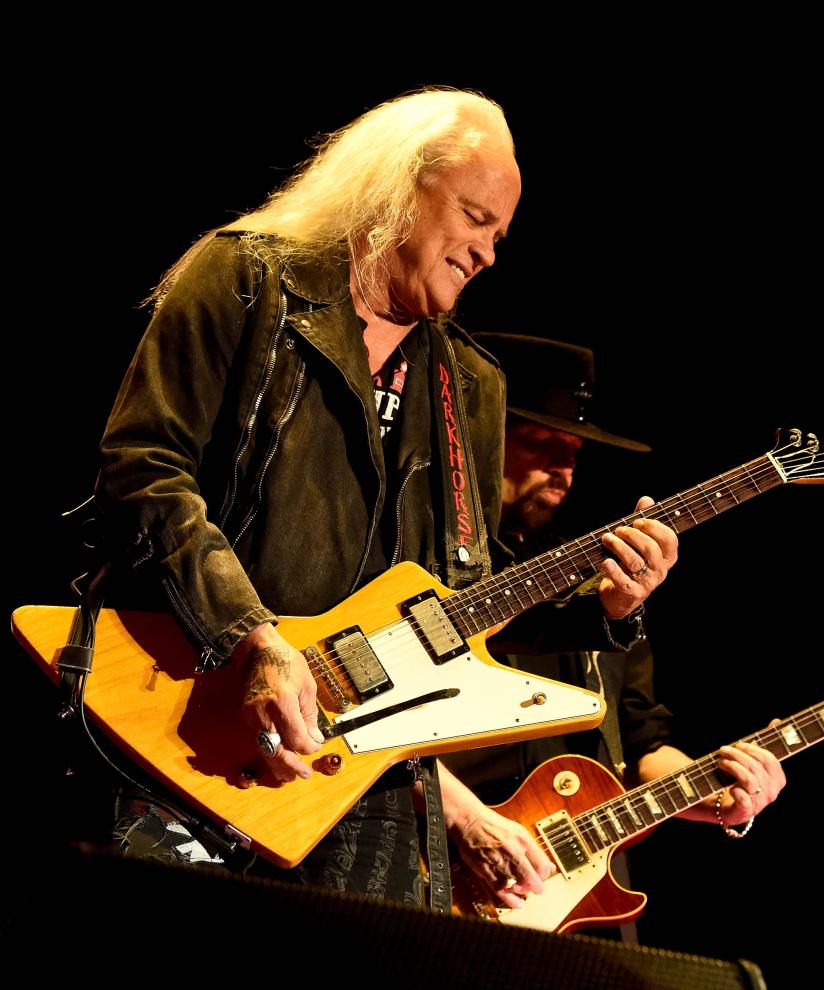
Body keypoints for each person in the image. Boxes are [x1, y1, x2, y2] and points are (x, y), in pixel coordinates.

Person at [93, 89, 678, 907]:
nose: (488, 254)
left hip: (371, 778)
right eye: (476, 218)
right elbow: (145, 467)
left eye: (500, 236)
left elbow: (464, 596)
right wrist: (252, 638)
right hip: (189, 718)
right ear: (399, 186)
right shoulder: (246, 277)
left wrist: (607, 604)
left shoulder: (469, 384)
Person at [437, 334, 786, 923]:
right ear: (477, 440)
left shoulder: (603, 585)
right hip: (439, 872)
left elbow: (642, 741)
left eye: (574, 449)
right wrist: (467, 819)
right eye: (541, 442)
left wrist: (716, 795)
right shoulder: (427, 575)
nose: (564, 466)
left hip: (583, 898)